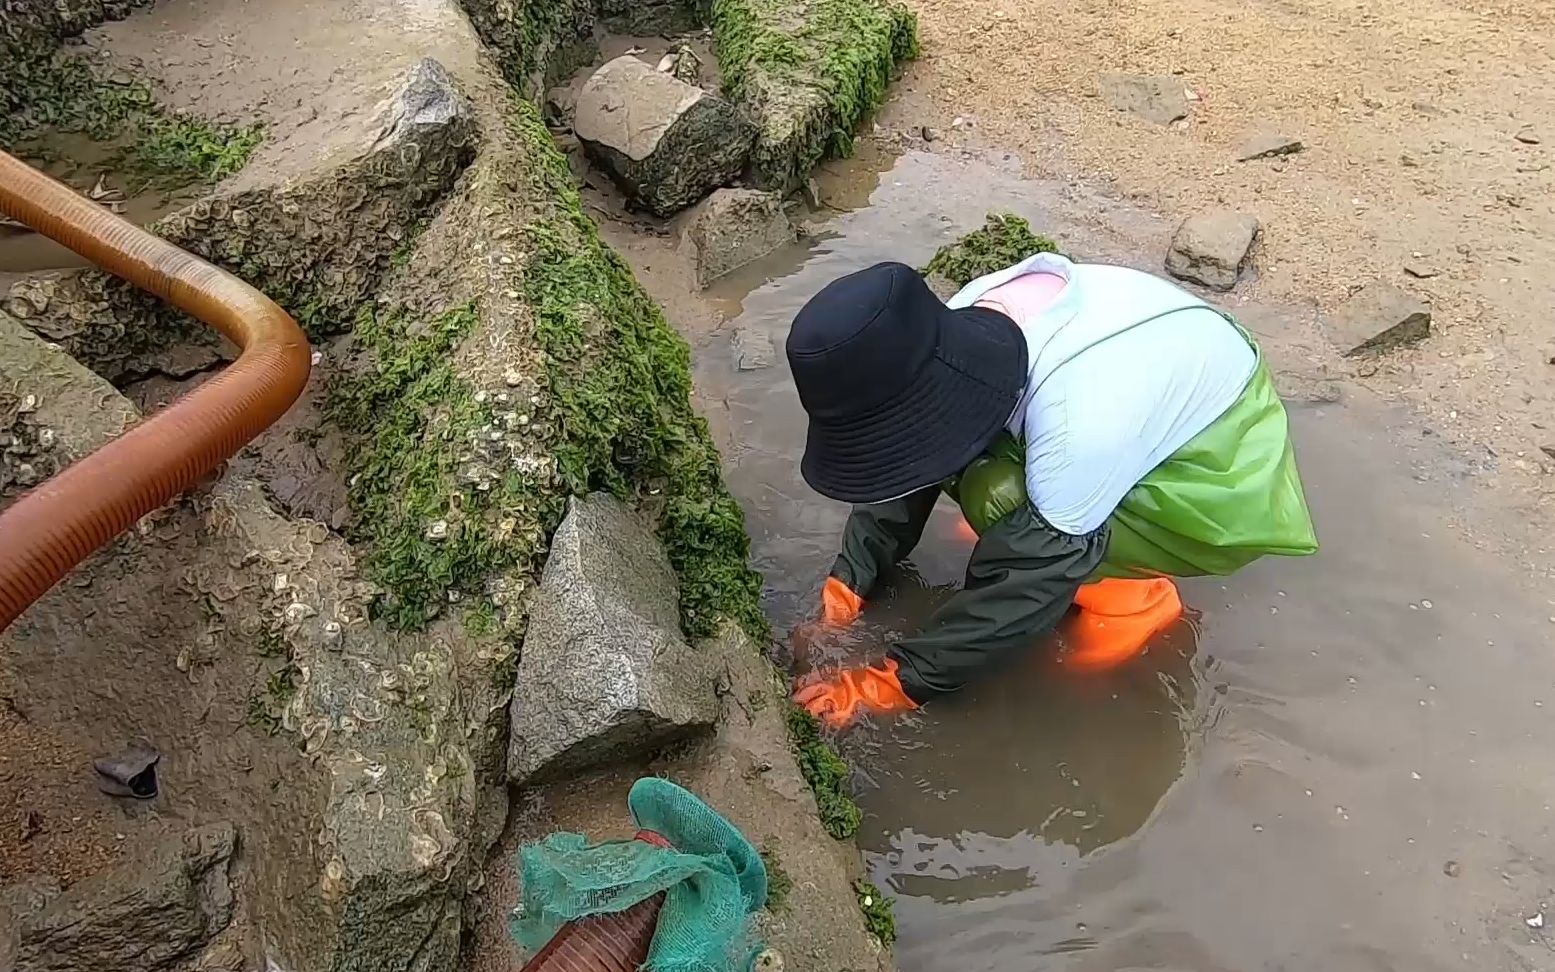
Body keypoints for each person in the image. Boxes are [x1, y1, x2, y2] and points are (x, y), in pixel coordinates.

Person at [787, 253, 1318, 727]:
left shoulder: (1079, 424)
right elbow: (904, 458)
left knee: (1003, 501)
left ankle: (1134, 595)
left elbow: (1023, 587)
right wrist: (846, 590)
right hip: (1162, 374)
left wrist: (886, 684)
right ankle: (1058, 517)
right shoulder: (954, 322)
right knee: (983, 476)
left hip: (1225, 474)